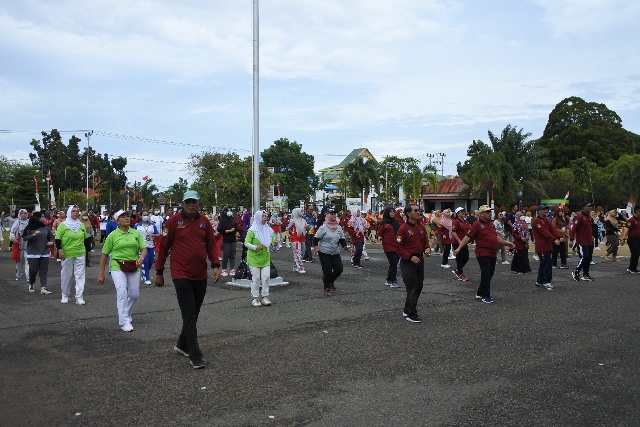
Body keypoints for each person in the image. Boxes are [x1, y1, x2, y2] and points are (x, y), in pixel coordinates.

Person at [156, 190, 220, 369]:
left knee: (194, 312)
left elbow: (210, 245)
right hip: (180, 273)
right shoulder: (173, 221)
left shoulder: (204, 221)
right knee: (189, 312)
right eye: (188, 202)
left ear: (198, 203)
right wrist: (159, 271)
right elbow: (163, 246)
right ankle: (195, 354)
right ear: (183, 204)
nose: (191, 205)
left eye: (194, 202)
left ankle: (182, 344)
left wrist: (215, 265)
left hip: (200, 273)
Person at [454, 205, 515, 304]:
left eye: (490, 212)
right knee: (485, 273)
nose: (489, 213)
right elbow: (467, 237)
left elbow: (494, 236)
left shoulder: (491, 224)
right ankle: (485, 295)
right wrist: (459, 248)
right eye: (487, 212)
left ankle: (480, 292)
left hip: (492, 252)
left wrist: (506, 243)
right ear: (481, 214)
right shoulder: (476, 224)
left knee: (490, 272)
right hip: (482, 252)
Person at [97, 210, 147, 332]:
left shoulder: (135, 233)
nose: (127, 218)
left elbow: (143, 248)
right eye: (123, 217)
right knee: (121, 291)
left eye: (128, 216)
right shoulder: (112, 235)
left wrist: (141, 258)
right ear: (117, 220)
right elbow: (104, 255)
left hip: (133, 266)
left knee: (134, 295)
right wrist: (101, 273)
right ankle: (124, 321)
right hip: (117, 266)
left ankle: (126, 314)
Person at [395, 204, 432, 323]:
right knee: (413, 287)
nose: (418, 212)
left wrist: (427, 249)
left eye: (419, 210)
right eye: (415, 210)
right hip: (408, 262)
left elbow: (425, 241)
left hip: (419, 260)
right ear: (408, 213)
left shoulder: (421, 227)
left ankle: (407, 309)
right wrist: (410, 257)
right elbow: (398, 247)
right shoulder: (403, 228)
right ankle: (412, 313)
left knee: (419, 286)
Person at [313, 208, 349, 297]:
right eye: (332, 214)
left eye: (335, 214)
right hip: (324, 251)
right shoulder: (323, 227)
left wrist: (344, 246)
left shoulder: (338, 227)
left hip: (335, 251)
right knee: (327, 271)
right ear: (328, 216)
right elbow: (316, 238)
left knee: (339, 269)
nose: (334, 216)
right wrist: (316, 248)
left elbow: (341, 238)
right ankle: (327, 288)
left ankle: (330, 281)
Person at [55, 205, 87, 305]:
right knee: (66, 275)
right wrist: (60, 250)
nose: (75, 213)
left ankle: (79, 297)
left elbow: (85, 238)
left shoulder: (81, 225)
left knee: (80, 275)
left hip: (80, 253)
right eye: (73, 211)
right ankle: (65, 295)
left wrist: (89, 250)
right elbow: (57, 238)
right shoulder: (63, 225)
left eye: (77, 211)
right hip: (67, 253)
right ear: (69, 212)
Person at [244, 210, 276, 307]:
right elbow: (246, 243)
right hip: (254, 258)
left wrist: (274, 243)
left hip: (265, 258)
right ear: (258, 217)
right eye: (263, 216)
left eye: (266, 216)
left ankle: (265, 297)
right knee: (256, 278)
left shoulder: (269, 230)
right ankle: (255, 298)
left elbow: (272, 240)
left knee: (266, 278)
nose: (265, 217)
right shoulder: (252, 230)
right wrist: (255, 247)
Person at [21, 211, 55, 295]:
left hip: (44, 251)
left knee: (43, 271)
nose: (44, 218)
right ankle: (31, 284)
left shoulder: (45, 228)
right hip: (32, 252)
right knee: (33, 270)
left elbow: (51, 237)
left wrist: (51, 242)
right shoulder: (30, 228)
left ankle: (43, 288)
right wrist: (33, 235)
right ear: (37, 218)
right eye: (42, 216)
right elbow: (24, 238)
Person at [532, 205, 563, 290]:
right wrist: (554, 239)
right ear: (539, 211)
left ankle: (539, 281)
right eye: (544, 209)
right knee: (547, 263)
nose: (546, 211)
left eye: (546, 209)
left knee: (544, 264)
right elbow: (544, 232)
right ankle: (546, 281)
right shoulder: (536, 221)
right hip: (541, 246)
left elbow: (553, 229)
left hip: (547, 245)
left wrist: (559, 236)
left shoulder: (546, 220)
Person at [569, 203, 595, 281]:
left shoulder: (589, 217)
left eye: (591, 206)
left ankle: (586, 274)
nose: (590, 208)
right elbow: (574, 229)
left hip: (589, 241)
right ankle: (576, 271)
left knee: (589, 259)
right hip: (582, 241)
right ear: (584, 207)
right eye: (589, 206)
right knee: (584, 257)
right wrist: (571, 240)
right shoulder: (579, 216)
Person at [377, 207, 401, 288]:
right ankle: (393, 280)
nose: (392, 213)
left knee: (395, 262)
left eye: (393, 212)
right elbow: (379, 233)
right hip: (388, 245)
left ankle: (388, 279)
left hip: (397, 245)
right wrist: (379, 237)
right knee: (393, 262)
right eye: (390, 212)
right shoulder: (383, 223)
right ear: (387, 213)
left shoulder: (397, 222)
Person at [134, 210, 160, 285]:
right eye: (144, 215)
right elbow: (133, 236)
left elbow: (158, 234)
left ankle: (144, 273)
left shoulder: (152, 225)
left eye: (147, 215)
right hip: (142, 247)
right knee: (145, 262)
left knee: (150, 262)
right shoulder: (137, 226)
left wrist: (153, 235)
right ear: (141, 216)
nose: (146, 216)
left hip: (151, 246)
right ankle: (147, 278)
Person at [451, 207, 471, 281]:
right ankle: (460, 274)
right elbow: (453, 232)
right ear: (457, 213)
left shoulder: (465, 221)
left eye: (464, 211)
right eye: (461, 211)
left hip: (464, 242)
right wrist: (459, 241)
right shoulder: (456, 222)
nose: (463, 212)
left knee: (466, 257)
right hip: (457, 242)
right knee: (459, 258)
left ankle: (457, 269)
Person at [217, 206, 238, 277]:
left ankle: (232, 269)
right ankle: (224, 269)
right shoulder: (222, 220)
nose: (230, 212)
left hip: (232, 239)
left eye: (230, 210)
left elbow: (236, 227)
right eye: (228, 211)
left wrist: (236, 232)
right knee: (226, 254)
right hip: (225, 239)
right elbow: (219, 229)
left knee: (232, 254)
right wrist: (228, 231)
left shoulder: (232, 219)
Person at [10, 209, 30, 281]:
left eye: (25, 213)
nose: (23, 214)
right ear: (19, 214)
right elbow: (12, 232)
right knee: (19, 261)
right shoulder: (17, 222)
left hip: (28, 243)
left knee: (28, 261)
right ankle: (18, 274)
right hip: (20, 243)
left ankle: (28, 276)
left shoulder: (29, 222)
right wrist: (13, 238)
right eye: (22, 213)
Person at [287, 207, 308, 274]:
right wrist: (288, 235)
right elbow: (287, 228)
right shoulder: (293, 220)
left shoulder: (304, 220)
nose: (302, 213)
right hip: (295, 238)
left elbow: (306, 229)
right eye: (301, 211)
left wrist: (307, 227)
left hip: (302, 238)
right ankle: (300, 268)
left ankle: (295, 267)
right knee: (297, 253)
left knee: (302, 253)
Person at [622, 206, 640, 274]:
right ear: (637, 212)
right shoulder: (631, 220)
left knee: (637, 254)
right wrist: (623, 239)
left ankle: (634, 267)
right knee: (635, 253)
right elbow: (627, 229)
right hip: (632, 239)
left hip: (638, 239)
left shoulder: (638, 220)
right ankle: (631, 268)